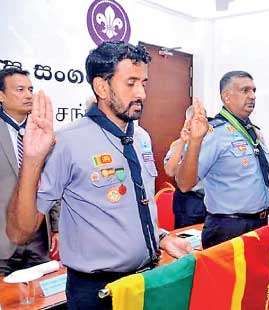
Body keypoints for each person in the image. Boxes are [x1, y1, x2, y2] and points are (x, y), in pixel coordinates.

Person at [6, 41, 191, 309]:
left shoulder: (141, 138)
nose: (141, 93)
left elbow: (132, 209)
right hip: (99, 292)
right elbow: (20, 231)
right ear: (102, 87)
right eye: (130, 83)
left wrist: (161, 238)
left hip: (148, 280)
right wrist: (32, 160)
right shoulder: (66, 142)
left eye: (144, 83)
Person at [176, 71, 269, 249]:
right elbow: (184, 184)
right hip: (228, 230)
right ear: (226, 96)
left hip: (259, 225)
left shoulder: (254, 132)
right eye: (245, 90)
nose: (252, 96)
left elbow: (262, 181)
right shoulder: (213, 133)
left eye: (253, 90)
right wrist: (196, 140)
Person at [0, 67, 59, 275]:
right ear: (1, 95)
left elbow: (54, 183)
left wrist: (56, 226)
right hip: (2, 239)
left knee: (42, 300)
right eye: (20, 89)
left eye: (30, 89)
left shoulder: (44, 133)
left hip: (39, 237)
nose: (28, 95)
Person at [164, 106, 207, 228]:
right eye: (195, 119)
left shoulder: (212, 143)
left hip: (211, 200)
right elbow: (170, 171)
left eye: (202, 118)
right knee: (187, 240)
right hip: (189, 201)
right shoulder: (178, 144)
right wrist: (183, 141)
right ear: (187, 121)